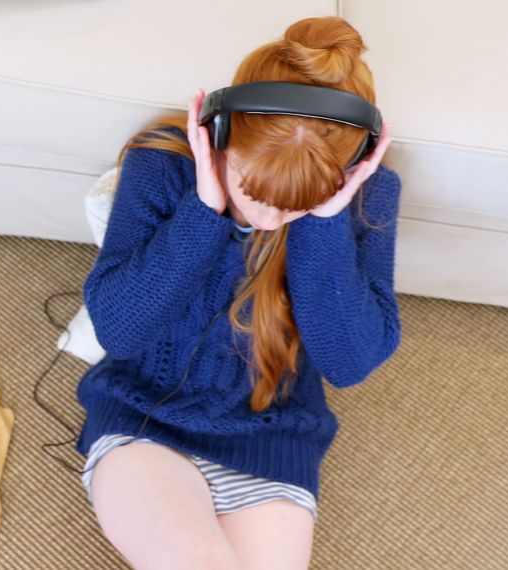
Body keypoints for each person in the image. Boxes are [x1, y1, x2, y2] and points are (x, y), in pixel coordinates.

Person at [74, 16, 400, 569]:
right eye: (253, 190)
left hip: (272, 443)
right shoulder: (164, 165)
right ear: (220, 134)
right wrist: (203, 212)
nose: (270, 218)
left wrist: (323, 225)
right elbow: (119, 331)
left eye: (294, 204)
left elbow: (347, 363)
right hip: (145, 422)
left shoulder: (368, 199)